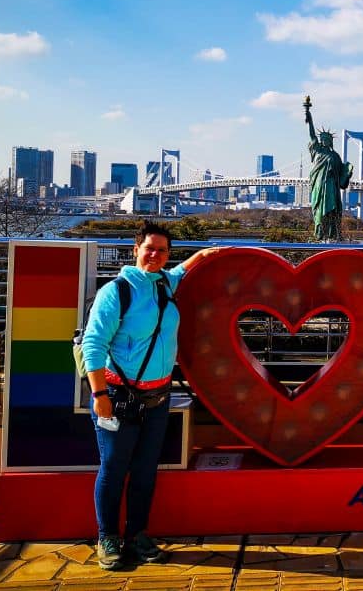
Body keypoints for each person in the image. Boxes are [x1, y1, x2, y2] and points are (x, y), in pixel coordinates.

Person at [81, 221, 219, 570]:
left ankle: (137, 534)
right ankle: (107, 537)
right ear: (136, 250)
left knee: (145, 472)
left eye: (162, 250)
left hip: (158, 397)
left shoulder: (164, 284)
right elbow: (93, 344)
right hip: (116, 394)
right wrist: (99, 394)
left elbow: (182, 270)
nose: (155, 255)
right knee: (113, 469)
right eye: (149, 248)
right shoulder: (118, 291)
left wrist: (206, 254)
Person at [305, 100, 353, 241]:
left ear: (330, 141)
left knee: (333, 210)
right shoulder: (317, 150)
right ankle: (319, 235)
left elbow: (341, 179)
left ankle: (333, 235)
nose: (324, 140)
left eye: (326, 139)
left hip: (331, 186)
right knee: (319, 211)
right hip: (319, 185)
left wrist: (347, 173)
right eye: (322, 138)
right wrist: (309, 116)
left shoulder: (335, 156)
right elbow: (312, 135)